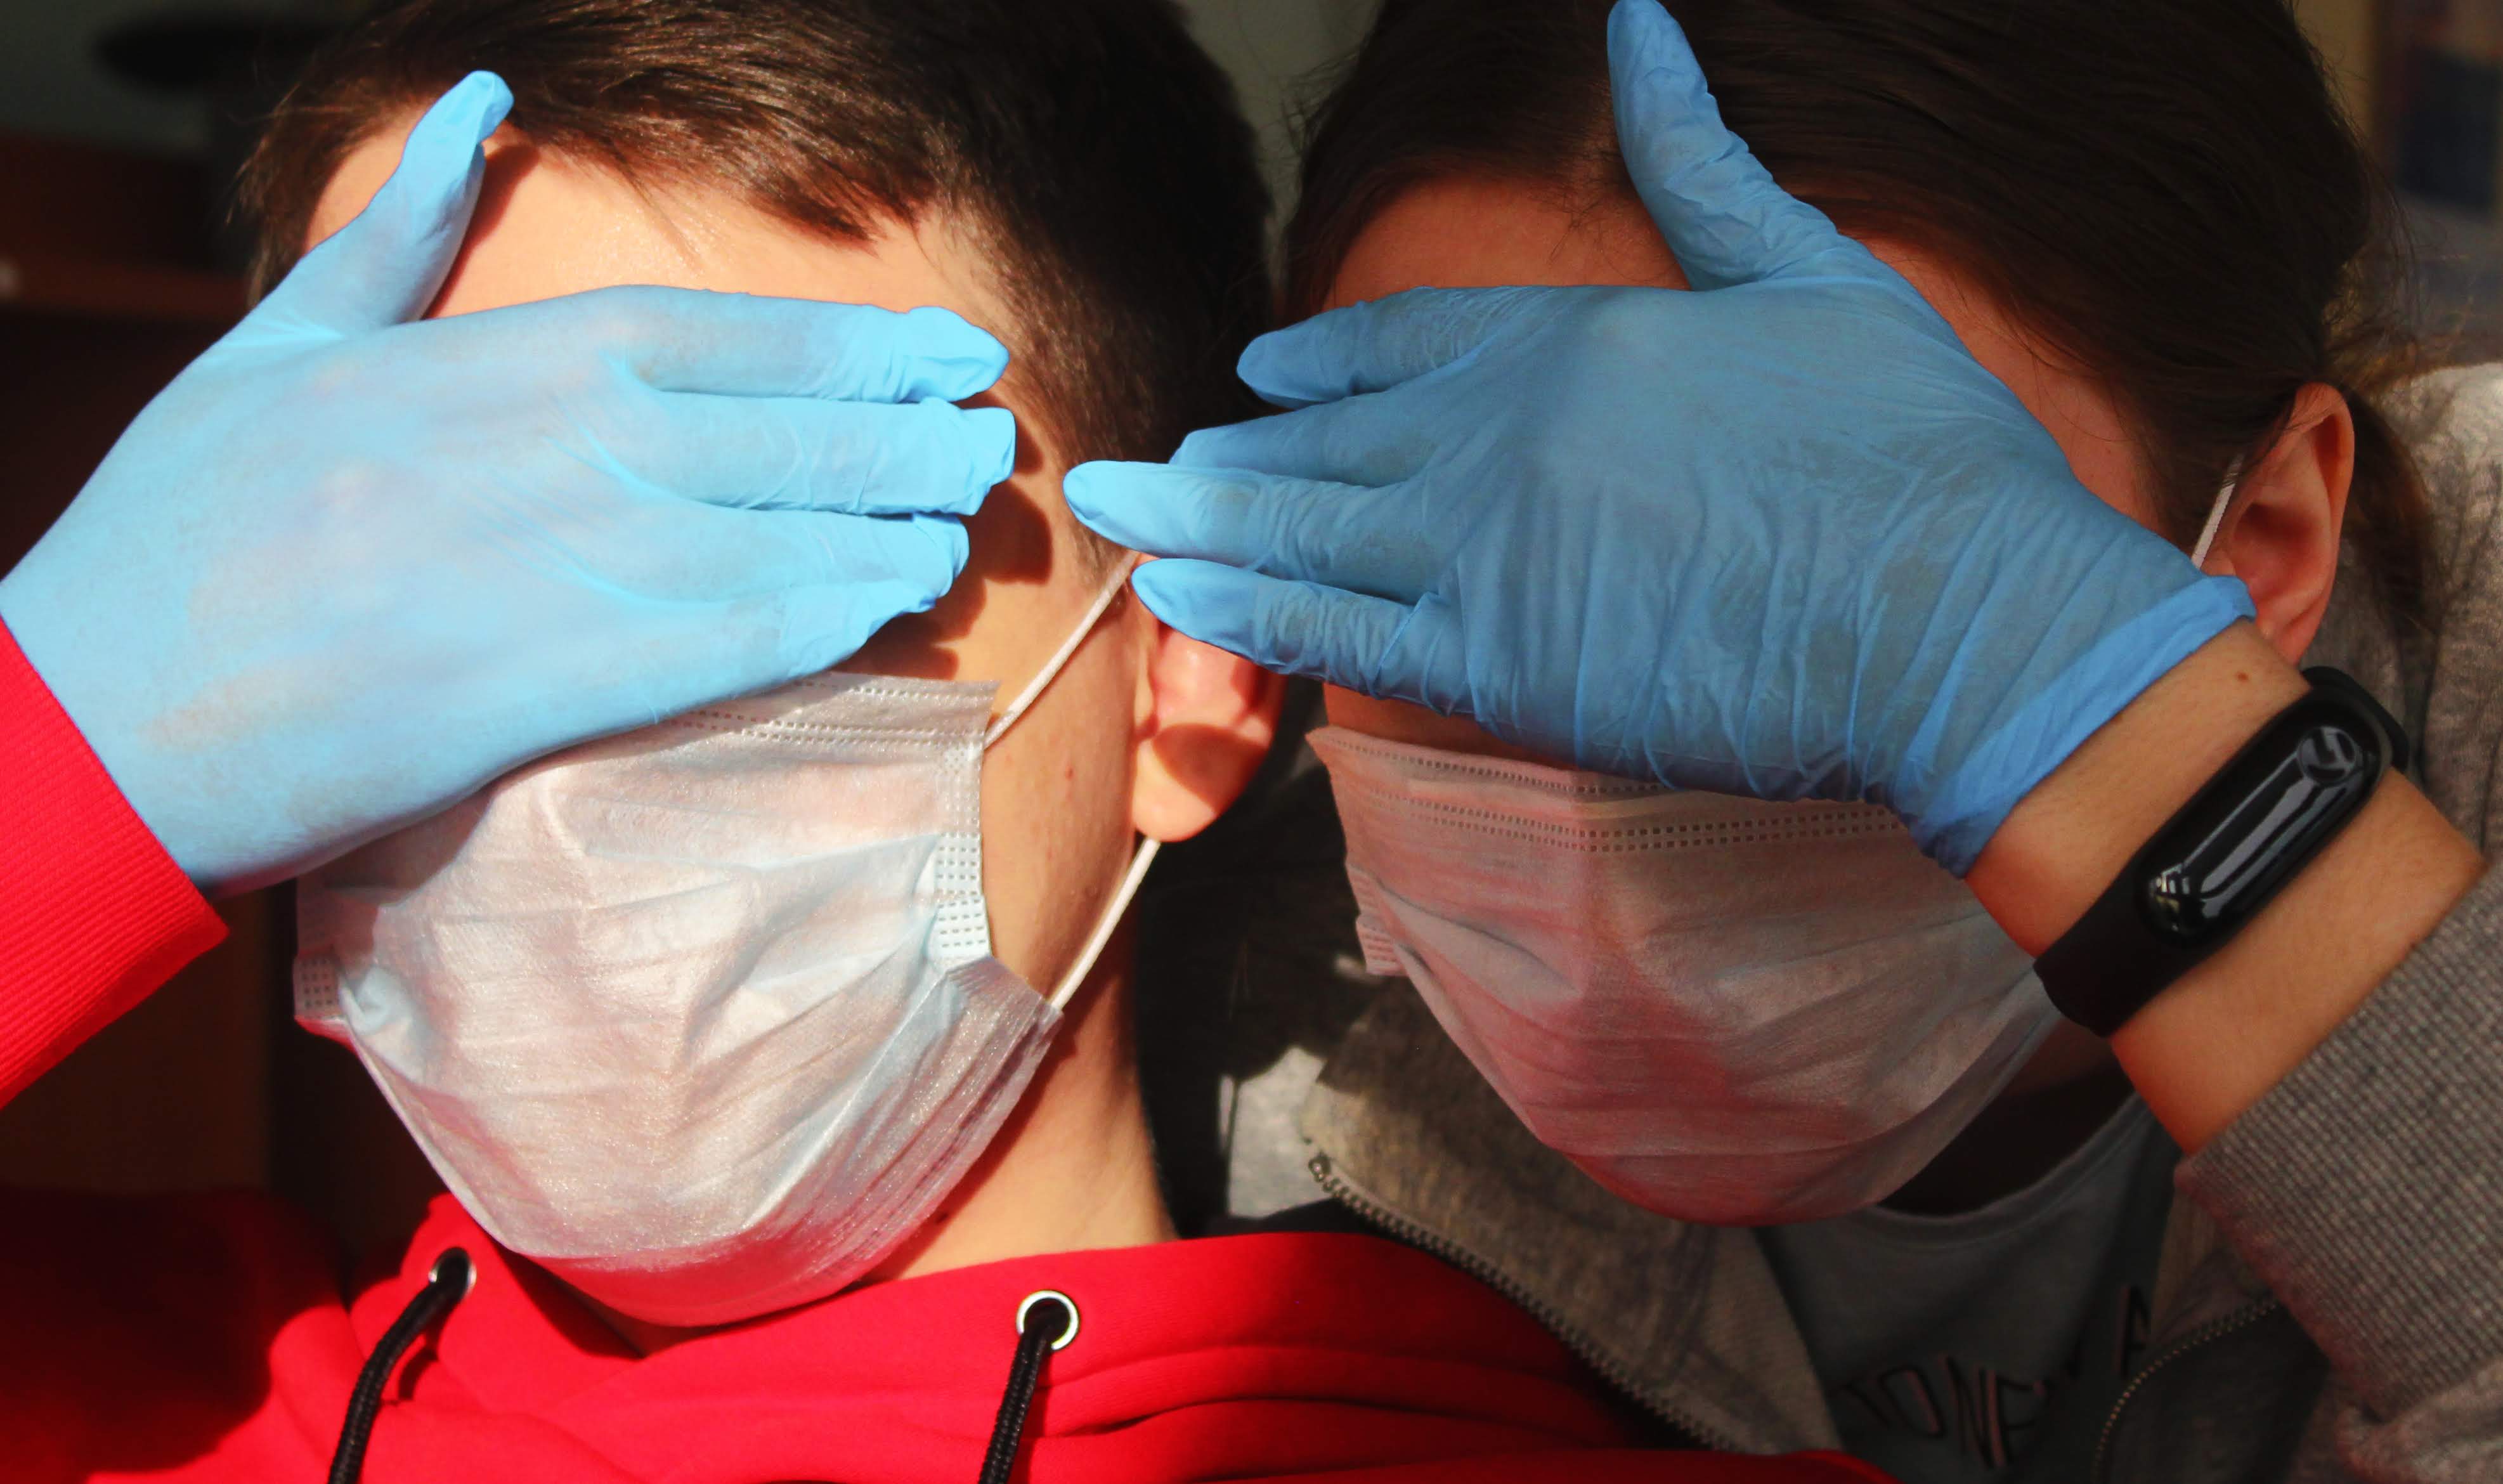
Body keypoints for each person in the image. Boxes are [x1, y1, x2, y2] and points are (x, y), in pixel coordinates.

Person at [0, 4, 1893, 1483]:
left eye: (754, 545)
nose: (557, 749)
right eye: (410, 594)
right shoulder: (146, 1399)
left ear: (1186, 669)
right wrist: (55, 757)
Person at [1071, 0, 2503, 1480]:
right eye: (1482, 548)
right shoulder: (1257, 1035)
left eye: (1800, 569)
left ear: (2264, 541)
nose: (1604, 729)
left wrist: (2119, 733)